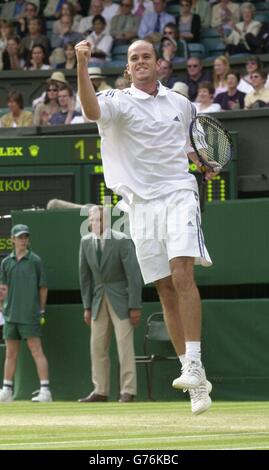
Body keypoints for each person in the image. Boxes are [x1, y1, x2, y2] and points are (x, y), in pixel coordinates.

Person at [75, 38, 216, 414]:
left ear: (159, 64)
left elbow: (197, 151)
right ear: (128, 67)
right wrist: (81, 64)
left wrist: (205, 163)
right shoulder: (116, 101)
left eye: (146, 57)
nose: (140, 62)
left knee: (182, 272)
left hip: (178, 193)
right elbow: (90, 111)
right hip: (139, 206)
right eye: (133, 58)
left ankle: (196, 361)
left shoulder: (182, 105)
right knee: (165, 288)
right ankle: (194, 377)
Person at [78, 205, 142, 403]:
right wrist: (87, 306)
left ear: (106, 221)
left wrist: (135, 305)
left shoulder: (122, 241)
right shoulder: (86, 242)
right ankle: (100, 390)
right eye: (90, 220)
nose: (93, 223)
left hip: (121, 301)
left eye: (97, 220)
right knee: (96, 347)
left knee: (125, 346)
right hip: (97, 302)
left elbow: (133, 275)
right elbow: (85, 278)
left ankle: (128, 391)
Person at [0, 224, 52, 403]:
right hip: (11, 316)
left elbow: (43, 288)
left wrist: (41, 310)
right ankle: (6, 390)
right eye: (20, 237)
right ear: (12, 240)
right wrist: (3, 308)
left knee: (37, 351)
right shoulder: (6, 263)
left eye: (25, 237)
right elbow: (2, 289)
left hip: (30, 315)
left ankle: (45, 391)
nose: (23, 240)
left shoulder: (35, 261)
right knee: (10, 353)